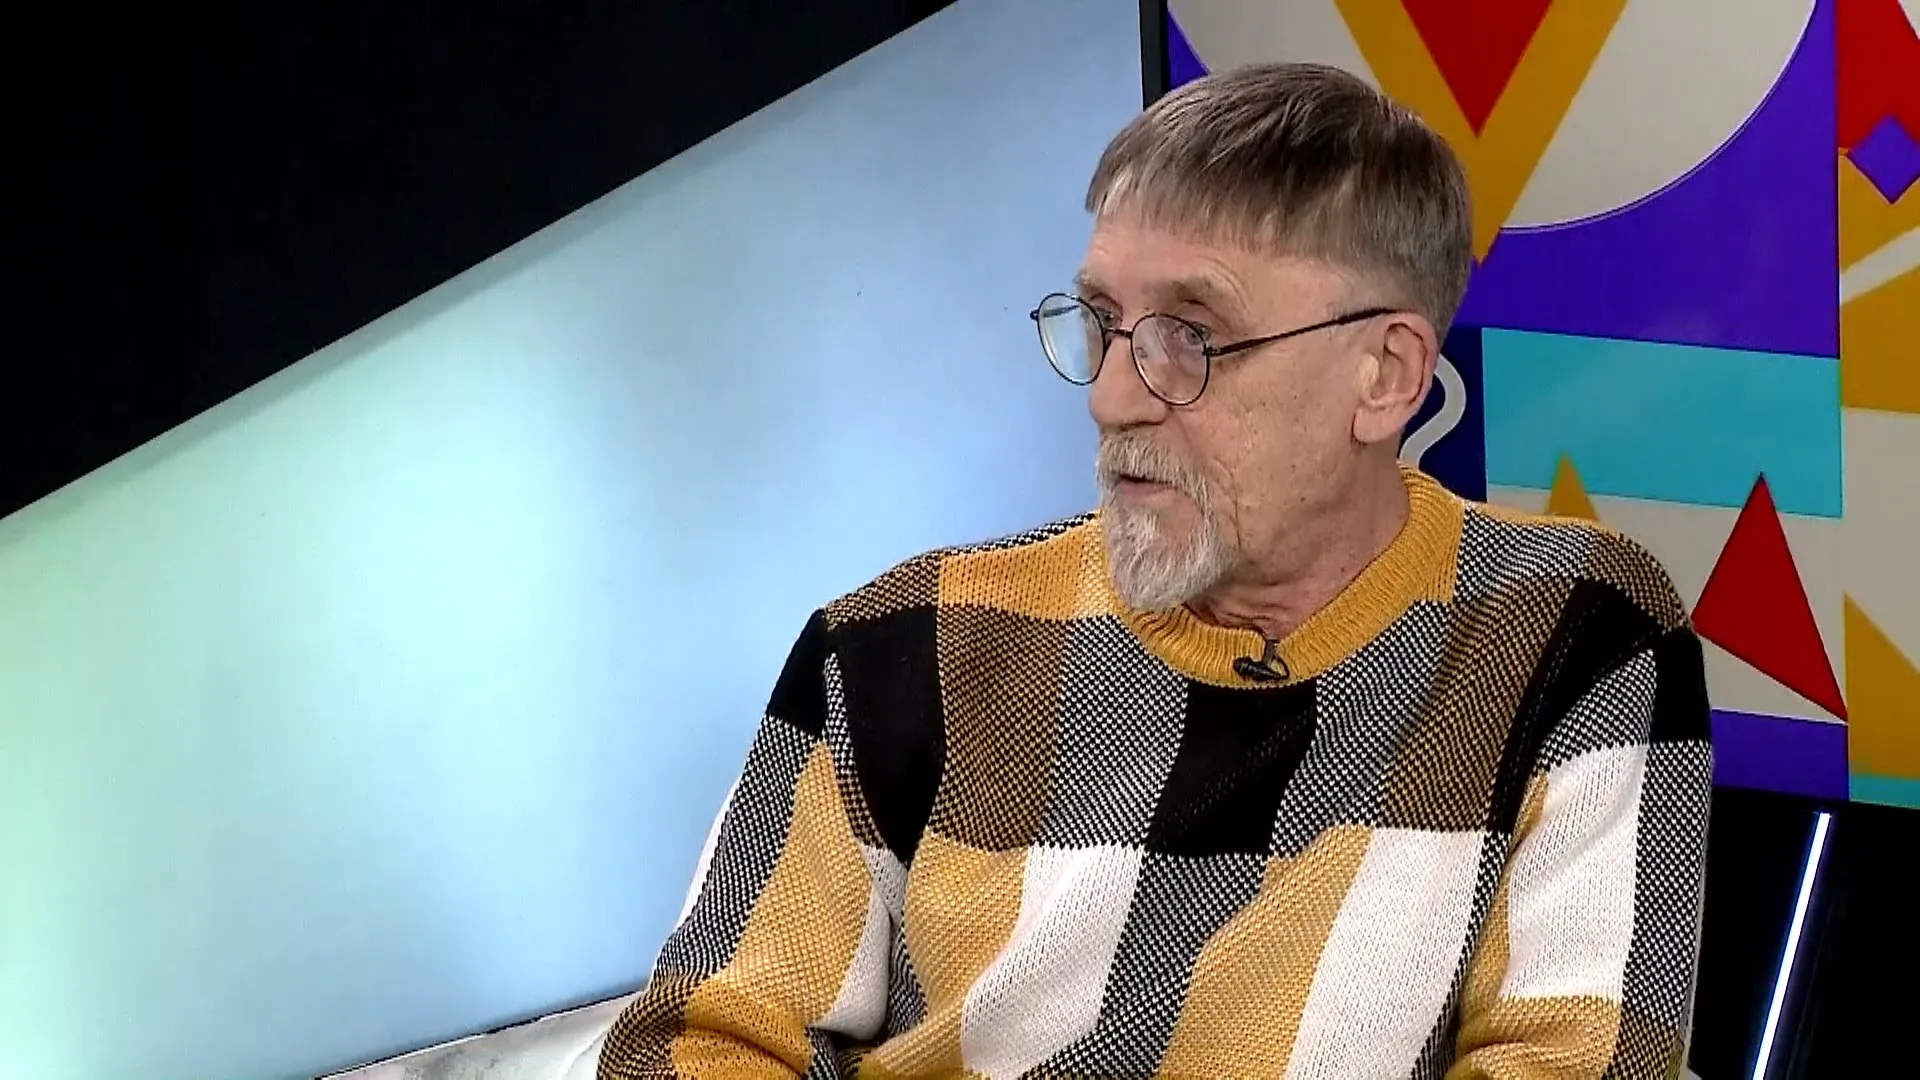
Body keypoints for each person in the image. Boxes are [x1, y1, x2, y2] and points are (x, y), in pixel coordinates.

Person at [599, 62, 1712, 1080]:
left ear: (1386, 375)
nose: (1112, 397)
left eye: (1191, 335)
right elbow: (692, 1046)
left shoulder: (1577, 636)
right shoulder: (896, 644)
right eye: (1101, 323)